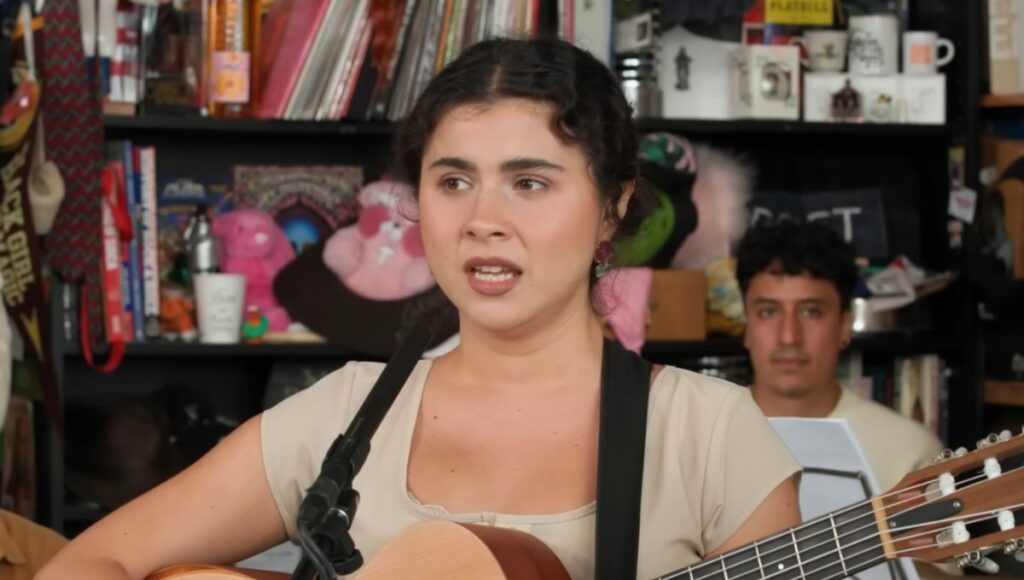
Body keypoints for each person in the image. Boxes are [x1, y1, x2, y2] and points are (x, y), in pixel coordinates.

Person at [39, 37, 801, 580]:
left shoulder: (713, 435)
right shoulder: (345, 411)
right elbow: (88, 563)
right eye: (454, 180)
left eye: (529, 182)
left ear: (612, 209)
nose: (483, 219)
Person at [736, 219, 943, 493]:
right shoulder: (695, 441)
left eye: (811, 311)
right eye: (768, 311)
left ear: (844, 325)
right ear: (746, 324)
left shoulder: (910, 453)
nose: (788, 336)